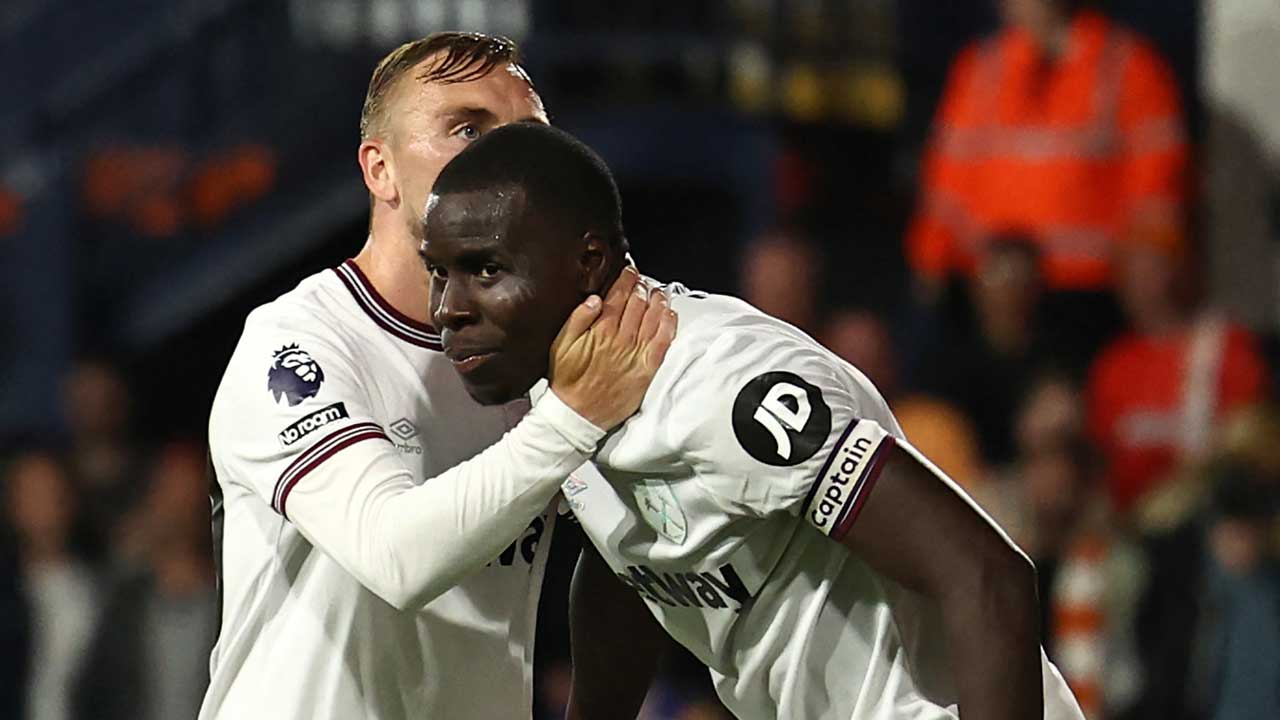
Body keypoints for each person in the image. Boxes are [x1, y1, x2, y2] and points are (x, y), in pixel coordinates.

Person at [420, 122, 1084, 719]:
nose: (449, 307)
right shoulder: (563, 394)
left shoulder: (724, 383)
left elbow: (986, 575)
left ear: (589, 261)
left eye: (485, 269)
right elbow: (625, 558)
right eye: (439, 273)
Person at [201, 33, 676, 720]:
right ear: (380, 170)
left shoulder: (551, 346)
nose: (507, 159)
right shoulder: (297, 344)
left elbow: (636, 543)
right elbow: (397, 556)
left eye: (527, 136)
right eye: (465, 128)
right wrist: (571, 420)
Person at [906, 0, 1187, 296]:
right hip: (991, 292)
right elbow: (948, 181)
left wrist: (1149, 275)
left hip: (1092, 290)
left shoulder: (1129, 66)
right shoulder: (982, 68)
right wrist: (930, 260)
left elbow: (1157, 186)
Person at [1086, 233, 1268, 516]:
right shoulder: (1113, 365)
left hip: (1212, 520)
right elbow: (1099, 457)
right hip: (1130, 522)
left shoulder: (1225, 347)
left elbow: (1252, 438)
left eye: (1155, 266)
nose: (1146, 281)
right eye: (1134, 269)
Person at [77, 441, 218, 720]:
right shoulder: (123, 604)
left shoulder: (232, 605)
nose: (181, 508)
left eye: (190, 493)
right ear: (153, 501)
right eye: (172, 494)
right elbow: (91, 694)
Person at [4, 450, 98, 720]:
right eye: (31, 494)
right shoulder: (7, 595)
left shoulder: (97, 590)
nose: (42, 506)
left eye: (50, 493)